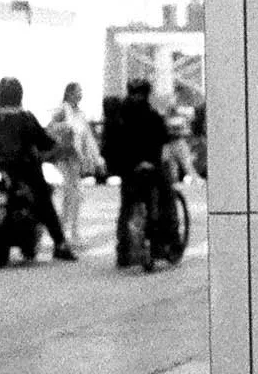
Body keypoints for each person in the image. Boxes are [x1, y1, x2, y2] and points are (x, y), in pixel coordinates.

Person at [0, 78, 75, 258]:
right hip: (19, 171)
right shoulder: (24, 117)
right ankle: (60, 244)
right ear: (19, 95)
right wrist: (57, 148)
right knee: (43, 198)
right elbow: (44, 142)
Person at [105, 76, 176, 259]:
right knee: (166, 196)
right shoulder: (151, 114)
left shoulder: (118, 114)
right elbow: (164, 137)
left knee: (127, 205)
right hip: (150, 167)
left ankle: (123, 249)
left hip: (127, 169)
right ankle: (168, 241)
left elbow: (112, 143)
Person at [48, 83, 100, 253]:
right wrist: (65, 127)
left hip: (76, 158)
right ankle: (66, 234)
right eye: (78, 92)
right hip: (64, 156)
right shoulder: (62, 110)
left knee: (75, 196)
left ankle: (68, 233)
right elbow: (50, 128)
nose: (80, 95)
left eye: (81, 92)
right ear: (69, 93)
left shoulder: (80, 113)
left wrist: (96, 157)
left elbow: (87, 137)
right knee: (72, 195)